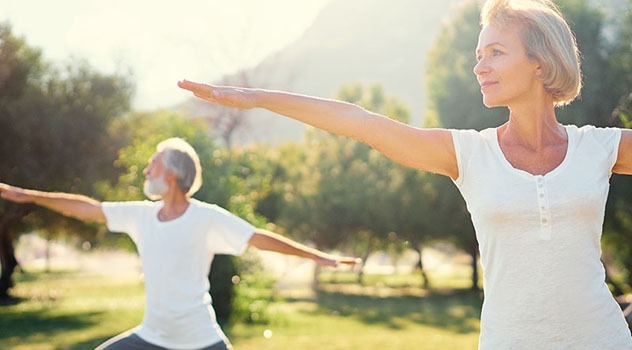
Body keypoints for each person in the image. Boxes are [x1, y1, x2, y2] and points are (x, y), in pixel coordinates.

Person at [177, 0, 632, 348]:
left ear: (539, 60)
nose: (479, 67)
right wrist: (257, 97)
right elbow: (361, 122)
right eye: (478, 54)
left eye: (495, 52)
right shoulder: (469, 154)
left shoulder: (599, 147)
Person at [0, 137, 360, 350]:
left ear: (171, 175)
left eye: (152, 165)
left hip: (200, 340)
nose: (146, 171)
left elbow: (258, 238)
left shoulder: (206, 218)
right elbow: (88, 209)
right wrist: (27, 195)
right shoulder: (141, 215)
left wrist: (319, 257)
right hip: (151, 338)